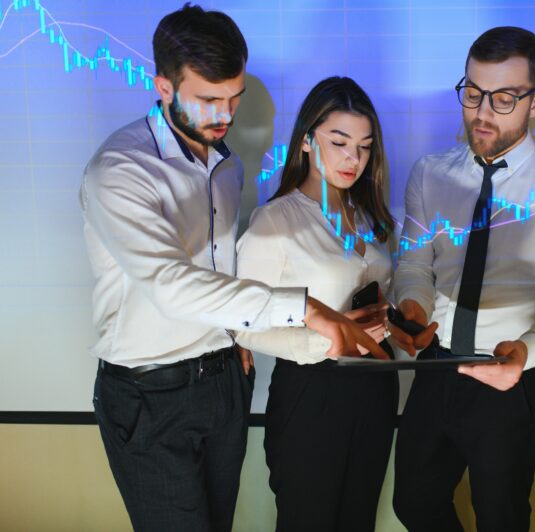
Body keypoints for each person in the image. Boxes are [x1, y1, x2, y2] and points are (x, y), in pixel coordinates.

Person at [80, 6, 384, 532]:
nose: (225, 114)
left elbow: (223, 270)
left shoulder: (227, 165)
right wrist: (306, 310)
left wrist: (239, 341)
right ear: (165, 86)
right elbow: (170, 285)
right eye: (209, 99)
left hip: (223, 381)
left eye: (234, 97)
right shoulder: (120, 169)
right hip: (150, 391)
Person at [391, 26, 535, 531]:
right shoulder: (429, 173)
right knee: (413, 503)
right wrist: (414, 308)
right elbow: (417, 265)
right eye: (473, 92)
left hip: (512, 378)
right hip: (437, 365)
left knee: (502, 518)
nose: (482, 112)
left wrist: (526, 353)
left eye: (503, 98)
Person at [235, 76, 398, 532]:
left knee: (358, 521)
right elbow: (244, 323)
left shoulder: (369, 215)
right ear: (307, 140)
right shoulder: (276, 221)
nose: (354, 158)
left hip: (376, 390)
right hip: (313, 395)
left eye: (365, 146)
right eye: (340, 142)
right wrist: (328, 340)